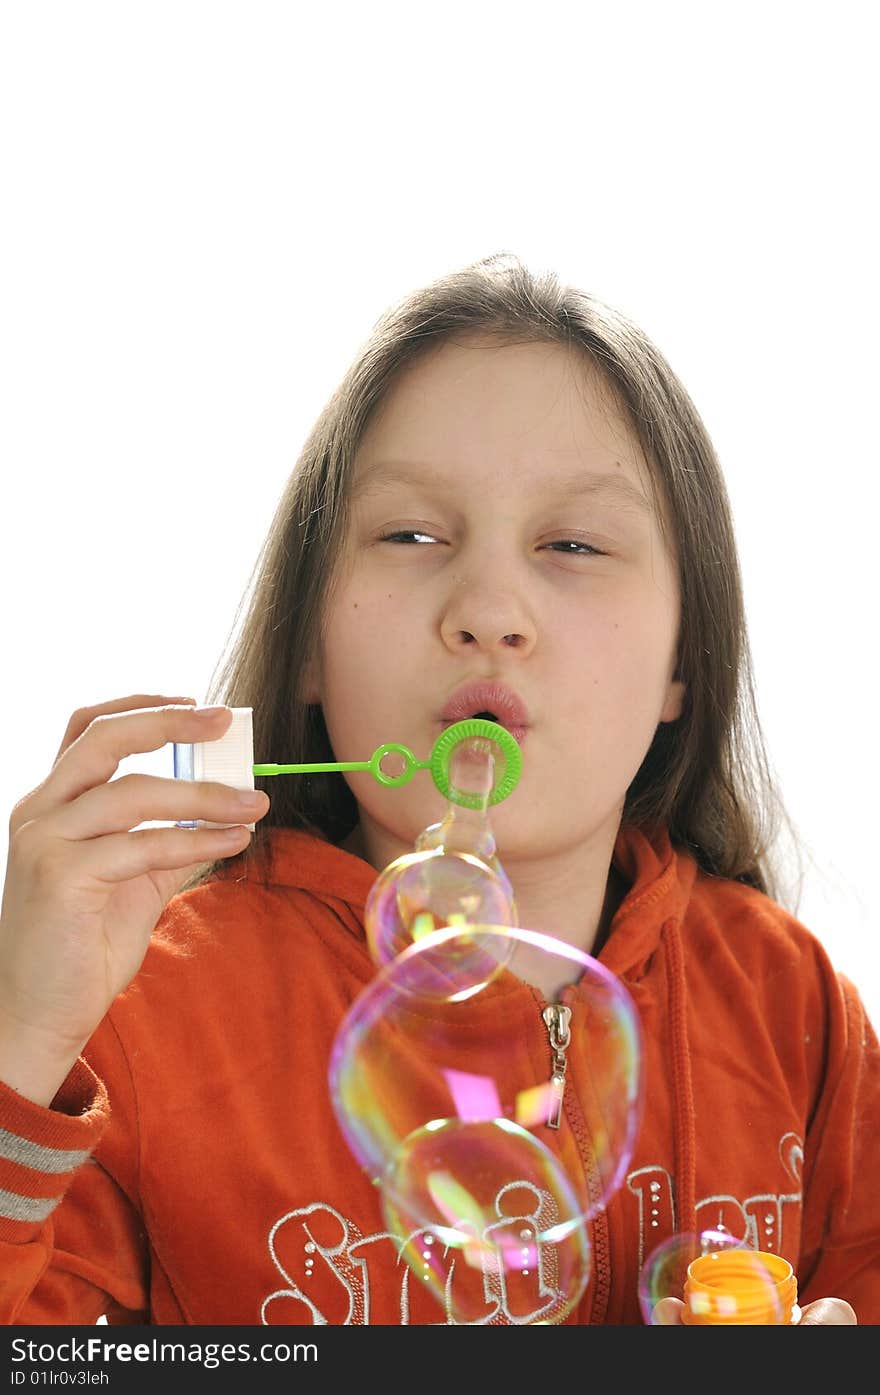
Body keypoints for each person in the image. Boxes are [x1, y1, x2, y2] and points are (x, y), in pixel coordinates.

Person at [0, 254, 874, 1327]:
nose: (489, 609)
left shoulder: (787, 1002)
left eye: (574, 543)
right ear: (310, 644)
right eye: (410, 534)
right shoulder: (141, 1016)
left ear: (683, 664)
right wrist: (21, 1042)